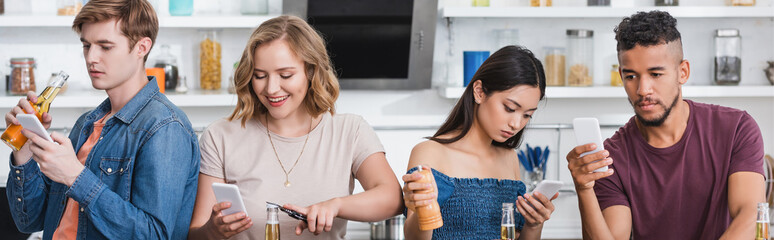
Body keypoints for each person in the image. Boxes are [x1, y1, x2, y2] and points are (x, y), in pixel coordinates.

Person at [188, 15, 403, 239]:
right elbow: (195, 233)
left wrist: (336, 206)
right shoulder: (220, 136)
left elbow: (393, 199)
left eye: (285, 75)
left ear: (311, 71)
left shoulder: (350, 130)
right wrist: (212, 231)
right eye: (260, 76)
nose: (271, 88)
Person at [5, 0, 200, 239]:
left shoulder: (165, 127)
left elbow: (154, 235)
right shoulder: (86, 124)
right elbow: (30, 220)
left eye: (105, 47)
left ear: (142, 47)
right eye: (87, 46)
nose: (91, 58)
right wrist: (24, 151)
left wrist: (75, 177)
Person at [566, 11, 765, 239]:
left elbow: (750, 216)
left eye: (656, 74)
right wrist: (584, 189)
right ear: (621, 75)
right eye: (631, 76)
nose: (643, 89)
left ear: (683, 72)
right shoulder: (611, 157)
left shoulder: (736, 129)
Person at [401, 45, 557, 240]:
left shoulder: (509, 159)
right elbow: (413, 238)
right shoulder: (429, 153)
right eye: (509, 108)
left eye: (527, 115)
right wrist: (424, 206)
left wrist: (534, 225)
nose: (516, 124)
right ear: (479, 92)